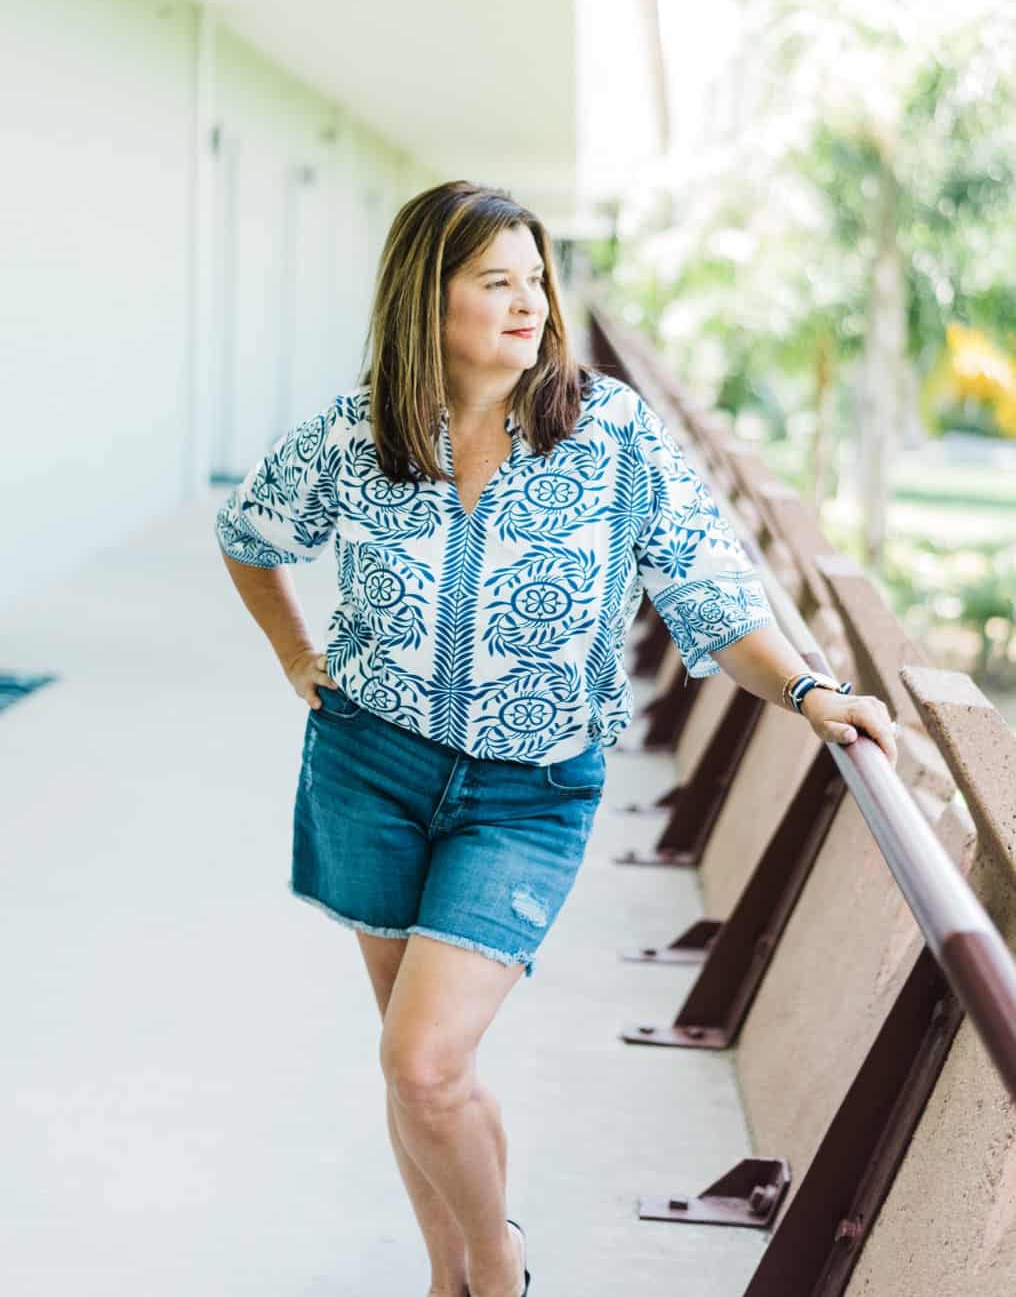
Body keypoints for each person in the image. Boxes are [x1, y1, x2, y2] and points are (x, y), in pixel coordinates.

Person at [215, 179, 898, 1297]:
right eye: (497, 282)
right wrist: (298, 655)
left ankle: (497, 1268)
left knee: (423, 1061)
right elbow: (250, 534)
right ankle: (447, 1277)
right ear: (424, 298)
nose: (530, 302)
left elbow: (711, 590)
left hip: (526, 794)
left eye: (536, 278)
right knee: (416, 1067)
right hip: (368, 769)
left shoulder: (609, 431)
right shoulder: (355, 432)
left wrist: (812, 691)